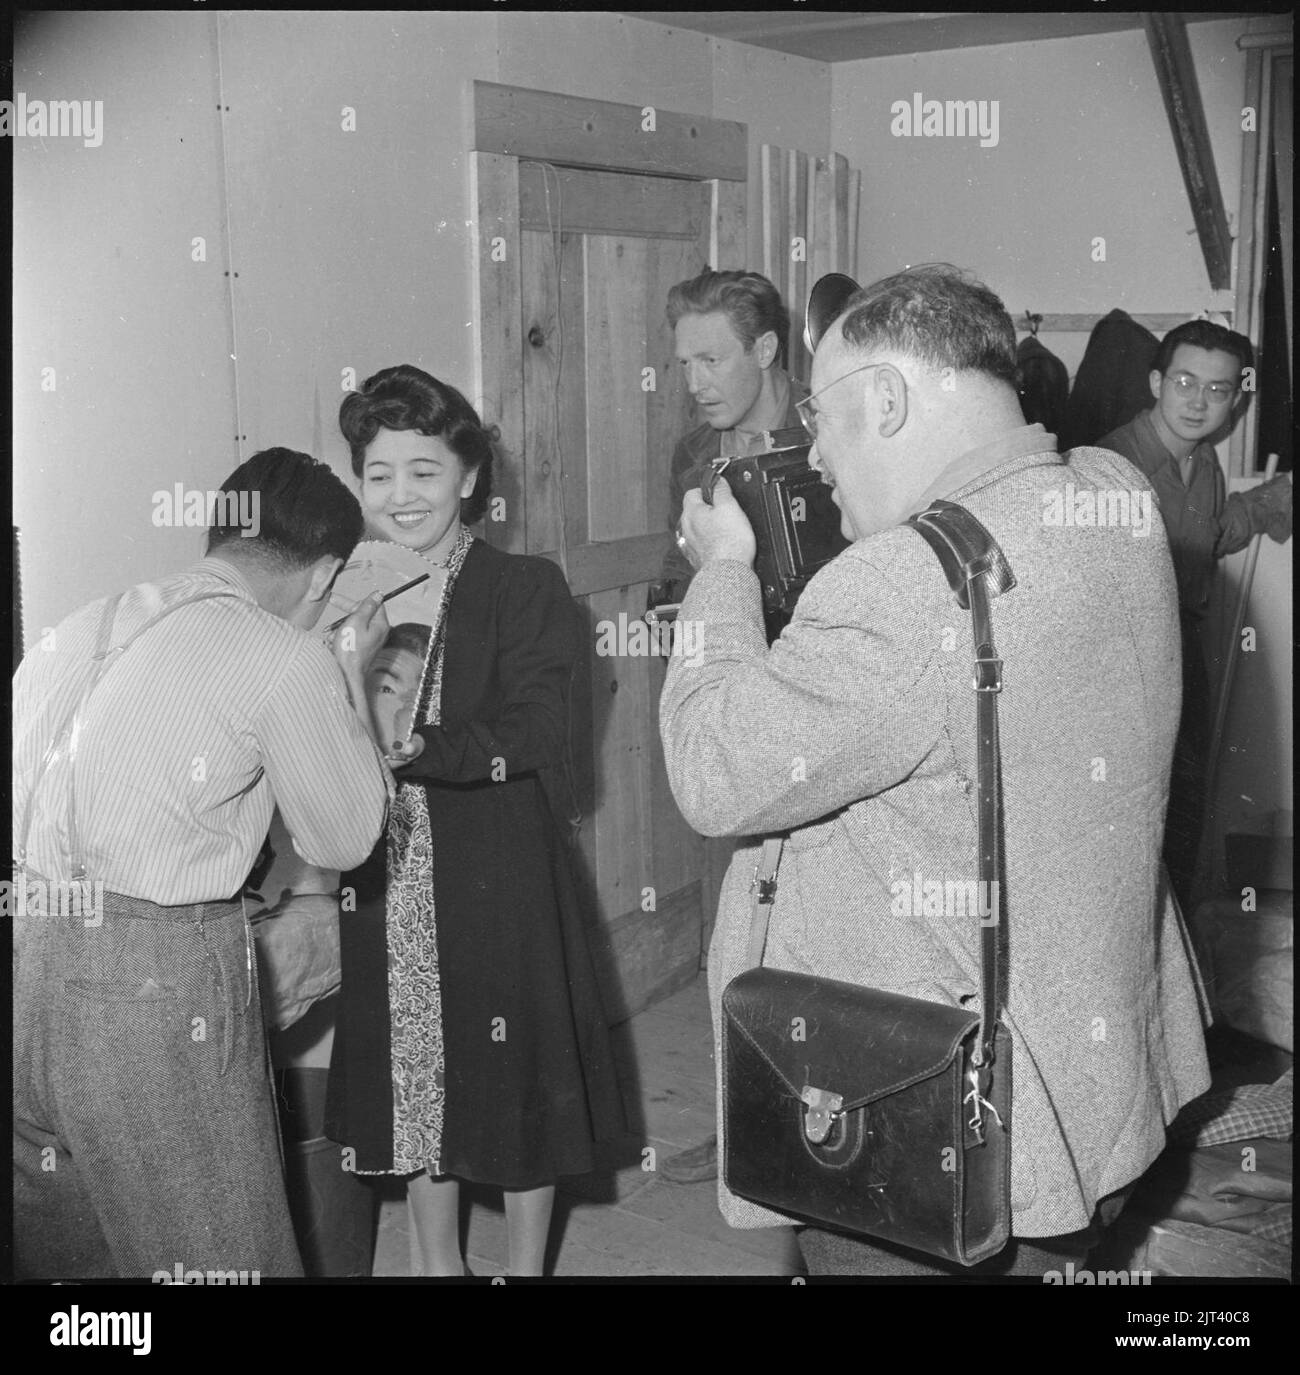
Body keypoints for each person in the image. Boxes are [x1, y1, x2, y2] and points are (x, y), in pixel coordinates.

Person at [659, 264, 1212, 1276]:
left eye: (823, 421)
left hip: (940, 1117)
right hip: (1099, 1086)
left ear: (886, 399)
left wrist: (724, 581)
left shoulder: (906, 585)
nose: (816, 455)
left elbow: (712, 770)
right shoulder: (1113, 496)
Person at [12, 448, 393, 1279]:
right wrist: (345, 672)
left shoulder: (82, 623)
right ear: (326, 572)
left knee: (74, 1271)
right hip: (150, 987)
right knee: (225, 1257)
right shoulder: (279, 654)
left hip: (27, 965)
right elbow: (348, 836)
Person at [325, 365, 627, 1277]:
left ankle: (525, 1269)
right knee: (417, 1068)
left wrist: (424, 748)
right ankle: (436, 1265)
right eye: (379, 474)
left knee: (515, 1071)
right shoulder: (345, 592)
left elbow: (539, 730)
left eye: (424, 471)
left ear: (468, 477)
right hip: (389, 868)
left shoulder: (524, 585)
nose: (400, 494)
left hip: (498, 864)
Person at [653, 267, 809, 1184]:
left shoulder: (830, 440)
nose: (696, 380)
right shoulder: (691, 454)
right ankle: (742, 1126)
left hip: (819, 712)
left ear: (766, 349)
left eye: (713, 358)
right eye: (682, 363)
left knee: (815, 937)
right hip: (734, 712)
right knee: (738, 935)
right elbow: (681, 575)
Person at [1098, 321, 1292, 912]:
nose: (1198, 400)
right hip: (1117, 667)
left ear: (1235, 400)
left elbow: (1204, 538)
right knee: (1130, 824)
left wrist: (1266, 504)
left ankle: (1180, 965)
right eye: (1185, 381)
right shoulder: (1111, 466)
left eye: (1218, 389)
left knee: (1181, 810)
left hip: (1180, 649)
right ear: (1157, 381)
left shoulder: (1203, 464)